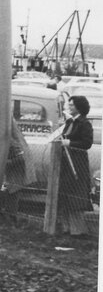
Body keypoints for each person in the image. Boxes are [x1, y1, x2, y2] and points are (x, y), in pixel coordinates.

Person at [58, 95, 94, 237]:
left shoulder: (84, 123)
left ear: (79, 107)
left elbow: (87, 143)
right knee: (65, 194)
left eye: (72, 105)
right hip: (66, 163)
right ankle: (66, 228)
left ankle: (77, 230)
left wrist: (70, 144)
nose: (69, 107)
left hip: (77, 164)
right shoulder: (69, 122)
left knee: (75, 195)